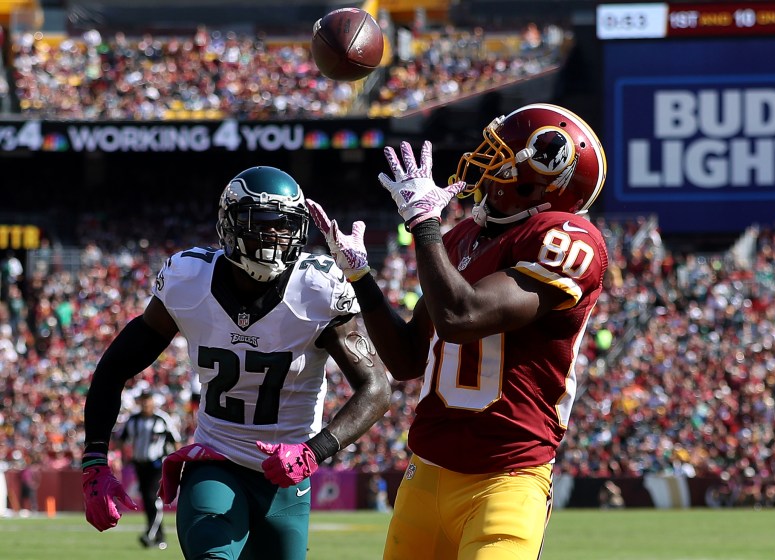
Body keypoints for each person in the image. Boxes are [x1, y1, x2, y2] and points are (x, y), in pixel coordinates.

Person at [307, 103, 608, 559]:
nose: (487, 160)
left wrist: (424, 224)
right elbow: (407, 358)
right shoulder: (462, 236)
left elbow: (461, 318)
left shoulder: (568, 239)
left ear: (542, 174)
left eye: (503, 152)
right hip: (427, 472)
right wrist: (361, 278)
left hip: (506, 478)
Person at [82, 166, 391, 560]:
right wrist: (94, 459)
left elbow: (377, 388)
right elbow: (113, 369)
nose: (275, 237)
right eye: (262, 223)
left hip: (287, 478)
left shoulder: (318, 289)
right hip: (217, 462)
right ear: (230, 225)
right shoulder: (188, 280)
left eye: (285, 226)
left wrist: (315, 451)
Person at [117, 391, 182, 549]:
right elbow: (121, 439)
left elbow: (176, 441)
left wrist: (178, 463)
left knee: (154, 498)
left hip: (157, 464)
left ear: (153, 402)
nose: (146, 404)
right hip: (140, 464)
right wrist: (121, 457)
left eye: (148, 401)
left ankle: (149, 534)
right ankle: (160, 537)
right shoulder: (133, 420)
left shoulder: (162, 419)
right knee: (147, 500)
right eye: (143, 401)